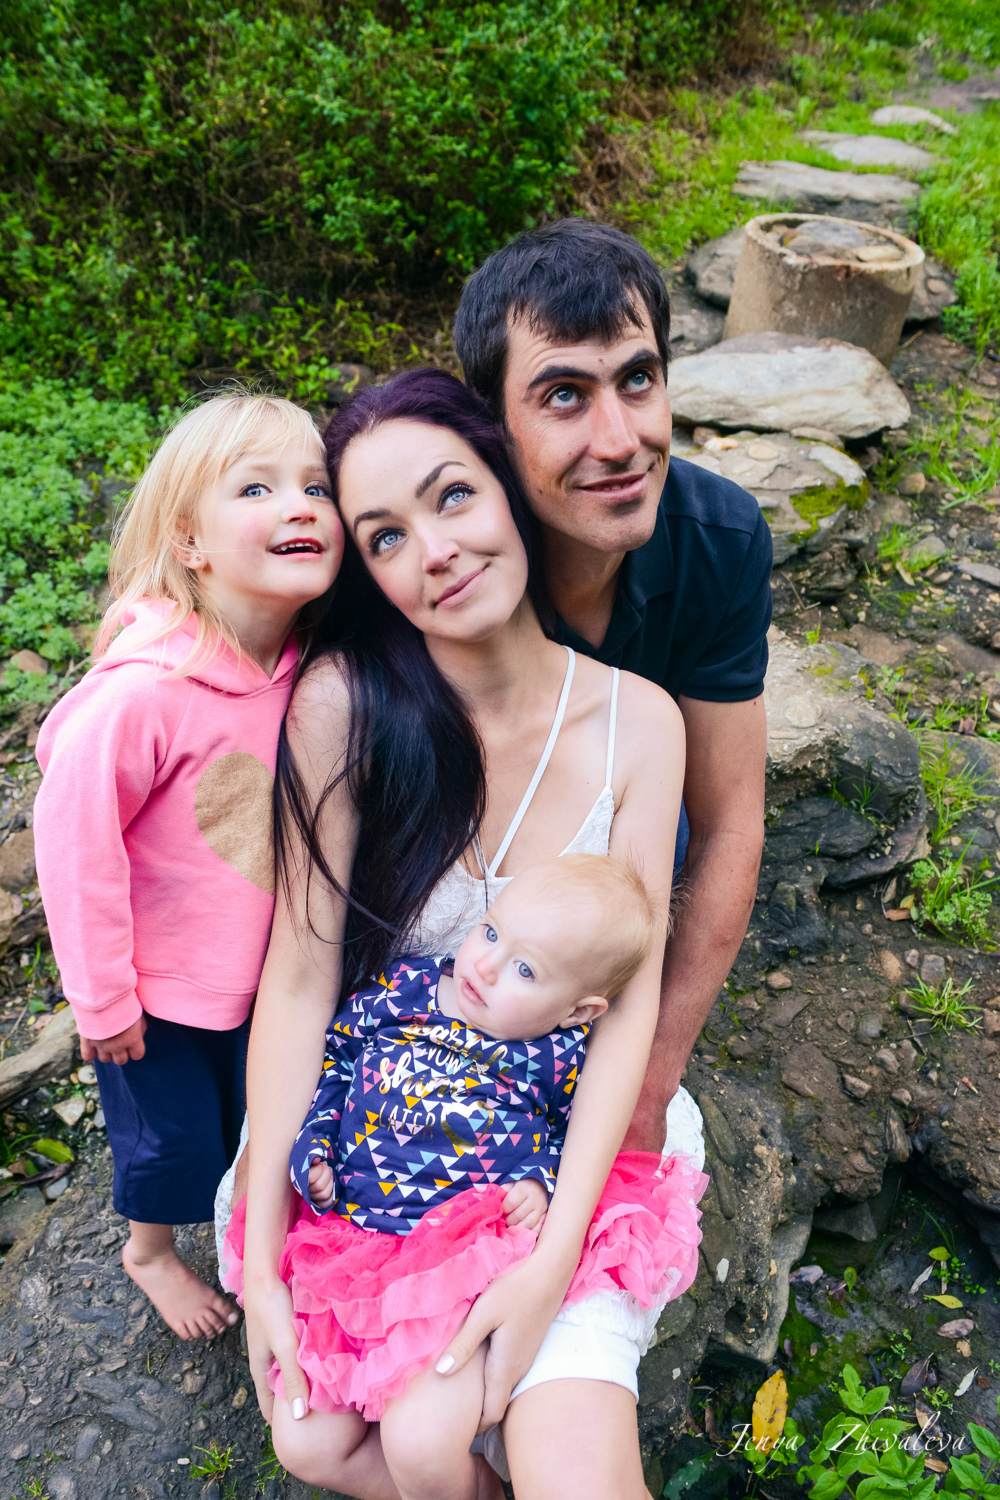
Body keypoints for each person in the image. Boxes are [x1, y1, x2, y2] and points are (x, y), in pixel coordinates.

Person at [238, 368, 688, 1500]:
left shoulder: (639, 724)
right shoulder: (347, 706)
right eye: (385, 537)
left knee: (577, 1478)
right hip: (384, 1146)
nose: (433, 551)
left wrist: (550, 1258)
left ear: (509, 489)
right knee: (318, 1442)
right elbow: (298, 984)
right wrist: (264, 1264)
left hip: (551, 1155)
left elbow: (627, 1007)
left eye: (453, 496)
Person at [224, 856, 705, 1500]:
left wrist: (539, 1182)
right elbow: (336, 1064)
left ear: (577, 1011)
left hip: (455, 1262)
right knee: (304, 1444)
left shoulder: (554, 1054)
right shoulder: (404, 990)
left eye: (525, 970)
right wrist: (314, 1149)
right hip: (350, 1248)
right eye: (491, 932)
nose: (485, 965)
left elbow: (571, 1132)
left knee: (420, 1444)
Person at [453, 218, 771, 1159]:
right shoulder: (448, 552)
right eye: (563, 395)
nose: (620, 439)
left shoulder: (719, 538)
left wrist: (652, 1073)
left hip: (623, 842)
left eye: (637, 378)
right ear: (490, 428)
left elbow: (730, 820)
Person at [33, 393, 343, 1340]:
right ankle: (150, 1252)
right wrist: (102, 1000)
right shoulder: (146, 692)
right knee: (168, 1144)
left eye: (316, 486)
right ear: (189, 542)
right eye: (256, 488)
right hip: (160, 991)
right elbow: (74, 841)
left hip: (267, 976)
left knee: (257, 1124)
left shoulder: (311, 664)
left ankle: (260, 1232)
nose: (299, 506)